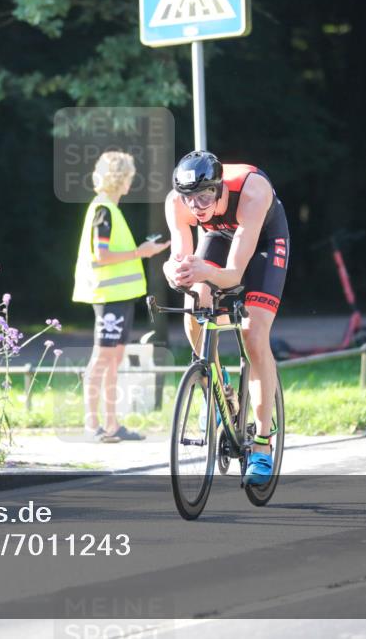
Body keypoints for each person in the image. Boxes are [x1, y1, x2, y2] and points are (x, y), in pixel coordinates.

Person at [162, 150, 289, 484]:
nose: (197, 206)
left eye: (205, 196)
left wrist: (204, 270)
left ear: (219, 189)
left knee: (253, 332)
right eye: (190, 199)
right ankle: (222, 389)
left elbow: (233, 274)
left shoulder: (252, 191)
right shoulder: (176, 203)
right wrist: (174, 270)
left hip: (262, 240)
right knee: (194, 307)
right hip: (219, 237)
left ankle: (262, 444)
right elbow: (180, 256)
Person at [73, 151, 170, 443]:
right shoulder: (103, 210)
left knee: (113, 359)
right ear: (120, 179)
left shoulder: (108, 209)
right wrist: (141, 253)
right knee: (102, 358)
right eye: (129, 175)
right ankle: (93, 425)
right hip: (109, 295)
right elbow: (101, 256)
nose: (131, 180)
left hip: (120, 296)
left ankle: (112, 425)